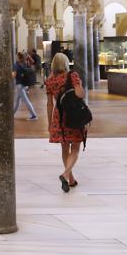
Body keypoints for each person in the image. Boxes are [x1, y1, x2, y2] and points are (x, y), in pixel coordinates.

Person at [45, 52, 85, 192]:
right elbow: (80, 95)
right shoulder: (72, 76)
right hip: (74, 114)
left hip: (59, 115)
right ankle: (66, 174)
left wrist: (50, 123)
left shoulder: (49, 81)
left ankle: (71, 179)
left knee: (64, 148)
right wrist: (79, 85)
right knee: (75, 148)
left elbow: (49, 104)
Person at [13, 52, 39, 120]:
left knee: (26, 101)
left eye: (16, 56)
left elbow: (14, 75)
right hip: (24, 84)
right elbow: (32, 63)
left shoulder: (16, 64)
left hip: (19, 85)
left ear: (18, 57)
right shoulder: (24, 63)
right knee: (17, 101)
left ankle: (34, 115)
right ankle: (11, 114)